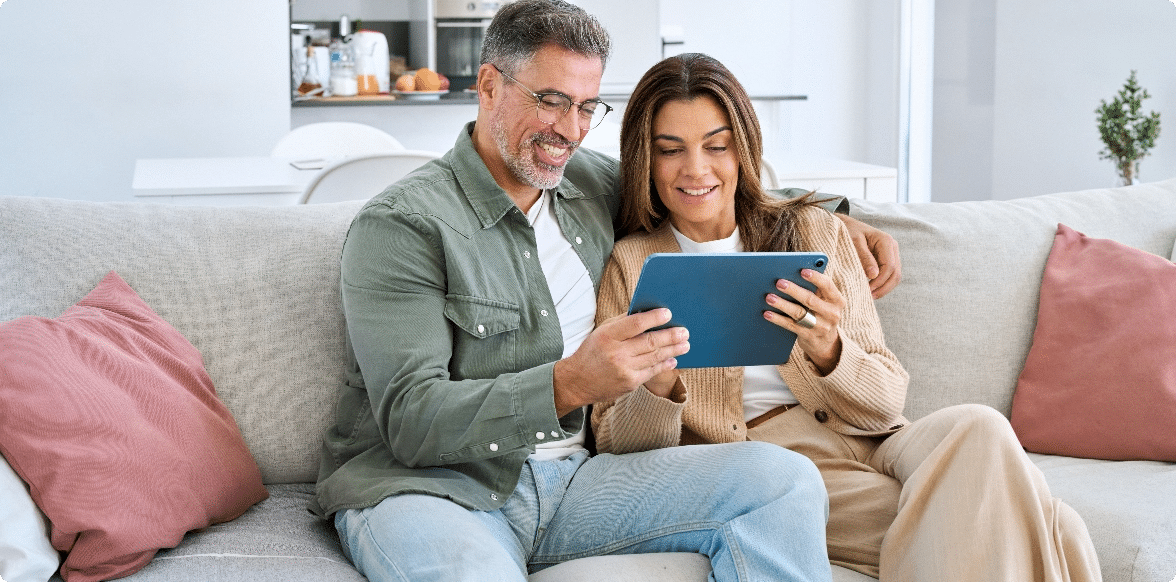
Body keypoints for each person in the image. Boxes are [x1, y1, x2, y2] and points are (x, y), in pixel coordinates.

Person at [310, 3, 837, 581]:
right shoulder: (402, 226)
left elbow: (702, 185)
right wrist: (570, 384)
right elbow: (412, 421)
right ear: (488, 86)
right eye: (551, 100)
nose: (571, 130)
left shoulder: (589, 184)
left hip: (576, 486)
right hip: (434, 490)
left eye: (586, 107)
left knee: (781, 481)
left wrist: (847, 219)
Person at [591, 52, 1104, 582]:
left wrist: (830, 350)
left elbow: (886, 404)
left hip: (872, 440)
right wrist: (657, 386)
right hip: (772, 467)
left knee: (981, 425)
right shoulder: (631, 264)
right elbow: (614, 443)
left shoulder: (815, 232)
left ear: (743, 149)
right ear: (645, 160)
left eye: (716, 146)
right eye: (670, 150)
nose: (696, 169)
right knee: (1055, 527)